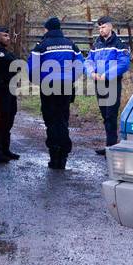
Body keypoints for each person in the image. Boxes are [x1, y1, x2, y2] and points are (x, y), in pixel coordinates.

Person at [28, 17, 83, 170]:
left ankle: (54, 156)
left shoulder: (41, 46)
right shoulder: (71, 44)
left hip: (48, 86)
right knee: (63, 119)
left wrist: (39, 81)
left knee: (51, 120)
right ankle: (63, 156)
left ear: (48, 29)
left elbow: (32, 68)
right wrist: (70, 78)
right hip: (66, 86)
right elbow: (80, 66)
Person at [84, 15, 131, 153]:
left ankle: (111, 147)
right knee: (105, 115)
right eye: (99, 27)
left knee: (111, 115)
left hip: (112, 82)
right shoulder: (97, 44)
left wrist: (107, 75)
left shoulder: (119, 44)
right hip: (99, 83)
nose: (101, 30)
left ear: (110, 26)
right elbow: (88, 61)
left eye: (103, 27)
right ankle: (109, 145)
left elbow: (124, 63)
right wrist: (91, 72)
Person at [0, 25, 20, 164]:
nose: (8, 38)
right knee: (3, 118)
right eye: (5, 36)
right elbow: (14, 63)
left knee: (10, 117)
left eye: (8, 36)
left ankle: (5, 149)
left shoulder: (6, 52)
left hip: (10, 88)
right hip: (2, 88)